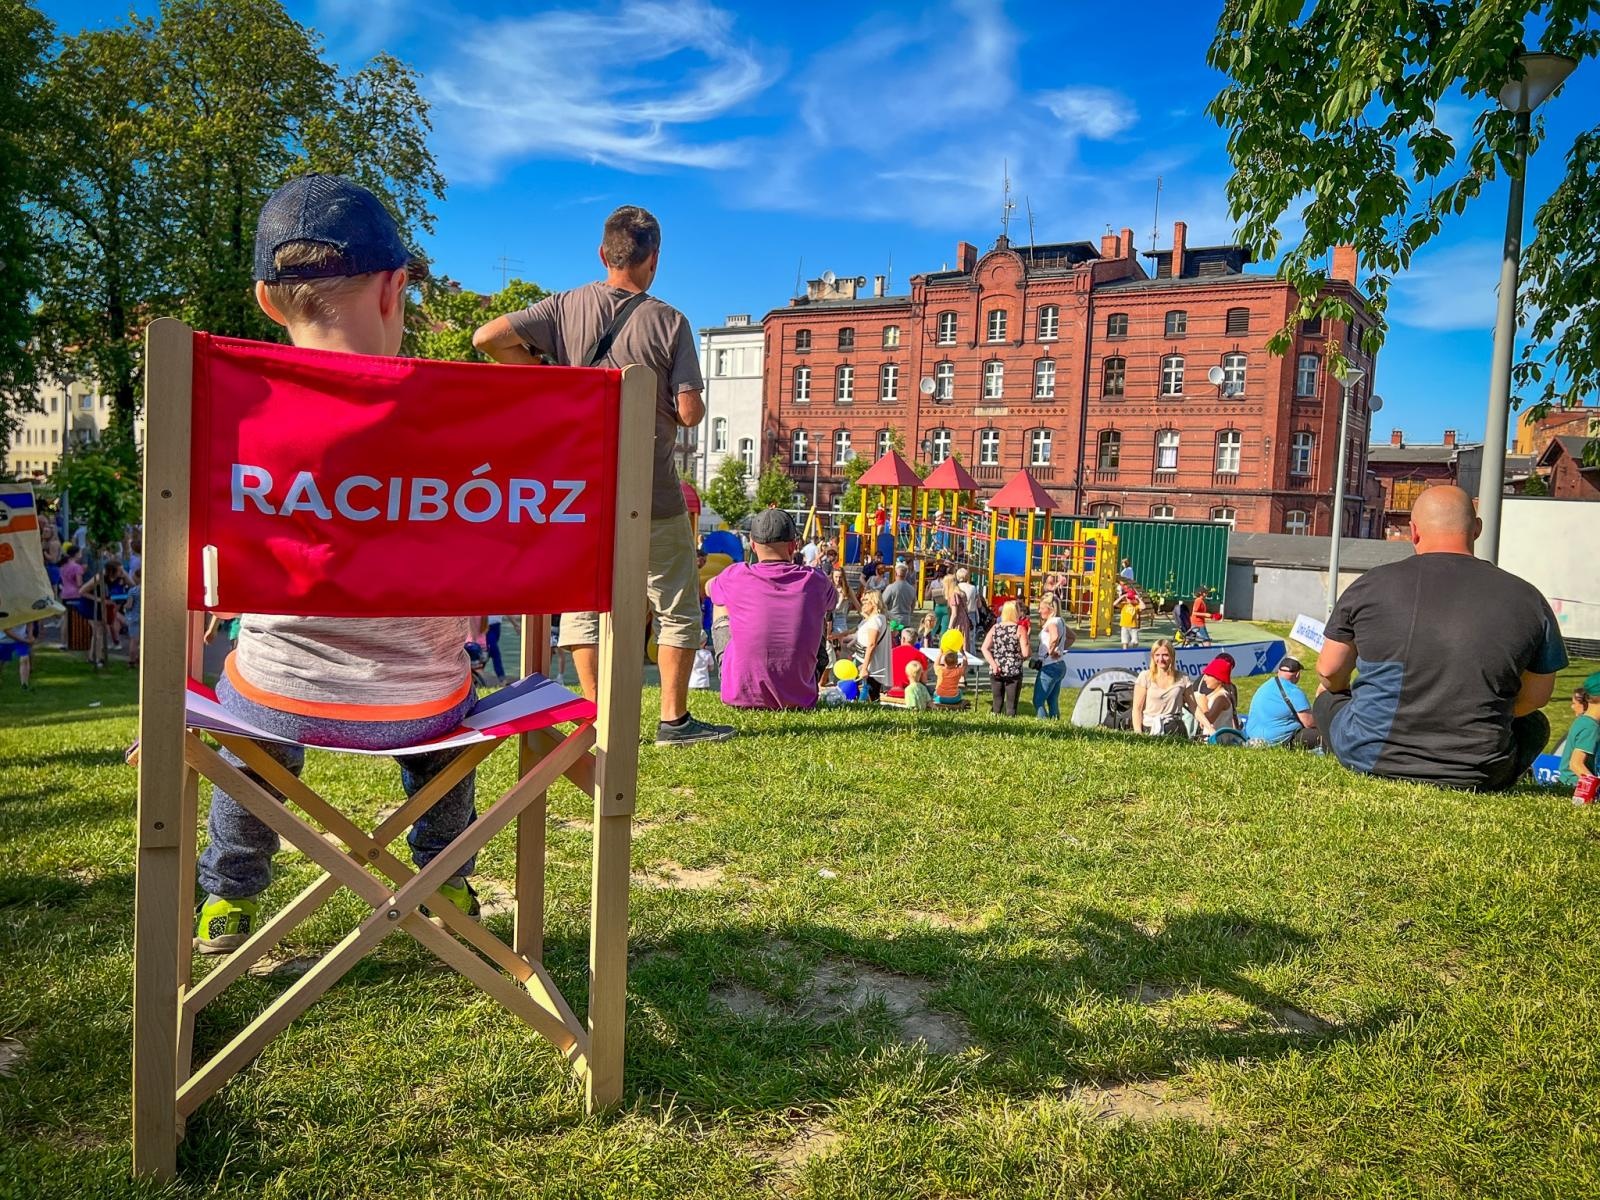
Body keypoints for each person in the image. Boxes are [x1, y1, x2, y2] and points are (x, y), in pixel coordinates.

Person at [193, 174, 486, 954]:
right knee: (454, 694)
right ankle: (446, 872)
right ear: (395, 289)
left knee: (250, 713)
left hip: (274, 695)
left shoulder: (230, 416)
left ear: (266, 301)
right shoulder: (462, 421)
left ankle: (226, 893)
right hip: (425, 703)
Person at [472, 205, 732, 748]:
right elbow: (688, 413)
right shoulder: (671, 322)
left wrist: (548, 377)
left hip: (583, 492)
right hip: (653, 491)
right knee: (677, 605)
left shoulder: (566, 306)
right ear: (654, 260)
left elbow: (487, 337)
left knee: (585, 604)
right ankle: (673, 720)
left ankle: (595, 716)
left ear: (603, 254)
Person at [1314, 485, 1566, 791]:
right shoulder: (1529, 598)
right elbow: (1536, 698)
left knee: (1325, 697)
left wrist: (1351, 697)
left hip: (1371, 755)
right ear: (1477, 529)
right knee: (1536, 725)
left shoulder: (1369, 585)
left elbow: (1328, 671)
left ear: (1414, 531)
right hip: (1480, 771)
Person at [707, 508, 835, 710]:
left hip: (741, 697)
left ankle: (740, 678)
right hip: (800, 698)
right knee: (819, 609)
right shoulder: (816, 579)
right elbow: (832, 603)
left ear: (752, 544)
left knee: (719, 600)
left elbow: (708, 588)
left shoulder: (735, 575)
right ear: (793, 545)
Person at [1244, 657, 1319, 748]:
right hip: (1275, 740)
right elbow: (1309, 723)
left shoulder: (1264, 687)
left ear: (1279, 671)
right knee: (1322, 734)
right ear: (1298, 674)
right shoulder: (1294, 691)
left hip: (1252, 737)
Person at [1131, 638, 1196, 736]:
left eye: (1165, 655)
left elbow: (1194, 707)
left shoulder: (1183, 678)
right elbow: (1137, 708)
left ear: (1172, 656)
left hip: (1175, 728)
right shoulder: (1145, 676)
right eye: (1157, 655)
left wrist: (1209, 727)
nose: (1160, 659)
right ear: (1153, 657)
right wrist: (1138, 733)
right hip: (1150, 727)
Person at [982, 600, 1028, 717]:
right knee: (1011, 705)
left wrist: (993, 664)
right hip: (1014, 669)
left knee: (997, 702)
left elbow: (984, 648)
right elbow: (1026, 652)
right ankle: (1010, 728)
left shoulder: (995, 628)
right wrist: (1020, 658)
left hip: (996, 668)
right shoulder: (1019, 629)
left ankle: (992, 726)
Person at [1032, 596, 1073, 719]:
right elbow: (1072, 637)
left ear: (1050, 608)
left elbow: (1054, 637)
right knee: (1052, 699)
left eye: (1041, 608)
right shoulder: (1061, 621)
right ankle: (1056, 722)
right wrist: (1059, 649)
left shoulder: (1051, 622)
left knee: (1038, 700)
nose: (1039, 611)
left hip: (1049, 665)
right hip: (1059, 664)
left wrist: (1051, 650)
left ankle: (1044, 725)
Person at [1559, 675, 1600, 791]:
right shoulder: (1591, 728)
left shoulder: (1583, 721)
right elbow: (1576, 764)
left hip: (1567, 783)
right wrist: (1596, 788)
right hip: (1575, 786)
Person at [854, 589, 892, 701]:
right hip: (863, 658)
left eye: (866, 600)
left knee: (871, 695)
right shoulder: (876, 618)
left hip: (870, 664)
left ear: (874, 602)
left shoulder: (876, 620)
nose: (863, 603)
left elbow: (871, 644)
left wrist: (864, 668)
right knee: (868, 694)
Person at [1194, 655, 1240, 740]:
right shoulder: (1214, 695)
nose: (1204, 679)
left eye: (1208, 675)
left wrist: (1203, 705)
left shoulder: (1221, 697)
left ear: (1218, 678)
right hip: (1213, 740)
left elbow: (1209, 719)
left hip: (1219, 742)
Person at [881, 561, 917, 630]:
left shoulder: (890, 588)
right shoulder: (912, 589)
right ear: (906, 575)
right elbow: (913, 605)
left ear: (895, 574)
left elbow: (883, 603)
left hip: (893, 621)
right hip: (906, 621)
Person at [0, 624, 33, 689]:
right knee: (1, 661)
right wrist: (25, 640)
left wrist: (30, 636)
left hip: (20, 640)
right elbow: (7, 630)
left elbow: (30, 621)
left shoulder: (25, 613)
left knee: (24, 658)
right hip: (3, 640)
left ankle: (24, 685)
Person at [125, 567, 142, 671]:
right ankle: (140, 659)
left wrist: (124, 606)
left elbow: (129, 605)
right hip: (143, 618)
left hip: (134, 617)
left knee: (133, 641)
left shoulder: (133, 591)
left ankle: (131, 661)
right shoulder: (149, 591)